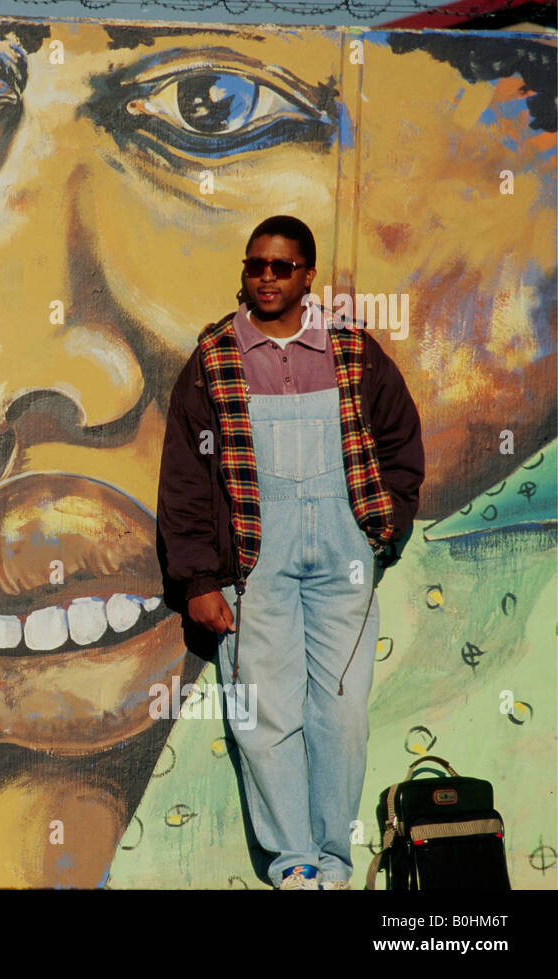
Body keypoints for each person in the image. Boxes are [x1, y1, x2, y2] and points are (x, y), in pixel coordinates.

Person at [156, 215, 425, 889]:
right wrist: (198, 579)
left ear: (307, 275)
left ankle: (335, 858)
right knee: (263, 709)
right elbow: (187, 479)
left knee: (340, 712)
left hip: (343, 554)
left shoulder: (354, 353)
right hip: (253, 557)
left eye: (281, 267)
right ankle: (294, 860)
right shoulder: (214, 357)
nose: (267, 278)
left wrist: (383, 523)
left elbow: (400, 443)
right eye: (256, 267)